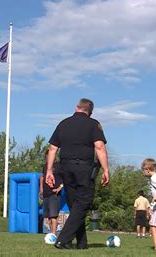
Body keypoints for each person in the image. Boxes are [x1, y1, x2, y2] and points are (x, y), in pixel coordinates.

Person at [45, 98, 110, 250]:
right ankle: (62, 239)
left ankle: (81, 243)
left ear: (76, 108)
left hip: (65, 168)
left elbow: (53, 149)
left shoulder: (63, 123)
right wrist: (106, 169)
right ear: (90, 112)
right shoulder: (93, 124)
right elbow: (99, 147)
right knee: (84, 202)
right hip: (83, 168)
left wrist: (49, 171)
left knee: (75, 205)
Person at [39, 150, 63, 235]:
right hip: (46, 194)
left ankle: (54, 233)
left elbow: (66, 178)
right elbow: (42, 177)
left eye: (50, 155)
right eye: (47, 156)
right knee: (47, 216)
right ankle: (50, 233)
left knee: (53, 215)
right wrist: (41, 189)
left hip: (54, 195)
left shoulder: (59, 166)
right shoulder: (45, 166)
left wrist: (59, 188)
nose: (48, 157)